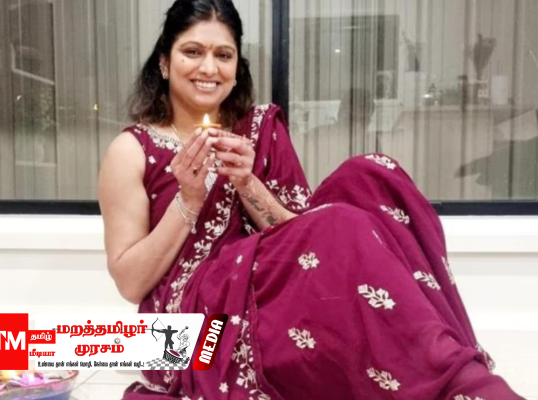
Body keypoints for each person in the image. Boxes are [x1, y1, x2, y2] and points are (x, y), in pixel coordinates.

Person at [98, 0, 523, 398]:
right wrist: (188, 202)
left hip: (265, 285)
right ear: (164, 62)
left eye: (223, 55)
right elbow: (131, 284)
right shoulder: (132, 151)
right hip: (194, 333)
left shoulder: (258, 129)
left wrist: (247, 182)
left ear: (236, 67)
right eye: (192, 52)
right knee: (341, 225)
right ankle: (454, 378)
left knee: (373, 173)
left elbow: (303, 243)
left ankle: (440, 357)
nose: (209, 68)